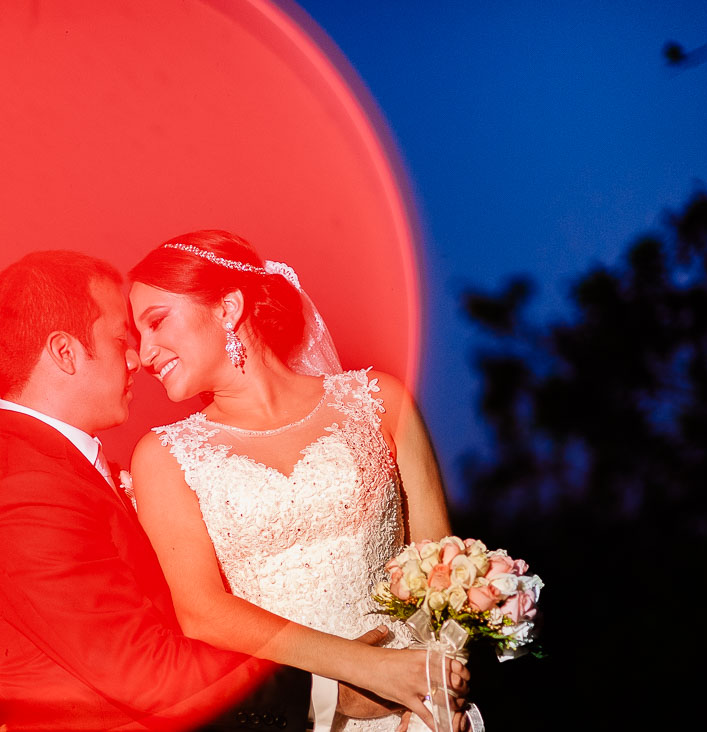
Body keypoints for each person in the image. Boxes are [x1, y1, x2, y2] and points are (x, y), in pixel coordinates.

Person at [0, 250, 396, 731]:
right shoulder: (22, 496)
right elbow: (143, 672)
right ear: (64, 352)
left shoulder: (53, 473)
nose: (136, 358)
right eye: (121, 337)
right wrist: (327, 687)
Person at [127, 231, 465, 731]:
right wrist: (356, 674)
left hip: (419, 707)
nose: (143, 352)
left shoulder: (381, 403)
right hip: (296, 718)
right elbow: (201, 611)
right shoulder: (164, 457)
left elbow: (445, 566)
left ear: (228, 307)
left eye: (156, 323)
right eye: (137, 335)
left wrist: (439, 687)